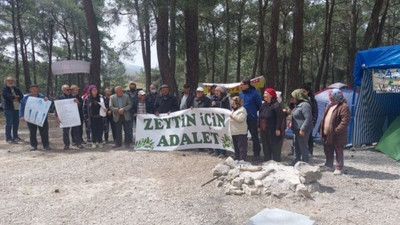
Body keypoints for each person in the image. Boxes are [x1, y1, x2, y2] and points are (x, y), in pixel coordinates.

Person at [320, 89, 350, 175]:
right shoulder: (330, 105)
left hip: (337, 134)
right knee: (327, 149)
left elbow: (345, 121)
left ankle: (338, 167)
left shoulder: (343, 106)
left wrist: (336, 130)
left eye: (331, 96)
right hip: (327, 133)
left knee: (338, 150)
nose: (329, 97)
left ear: (336, 96)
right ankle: (328, 165)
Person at [19, 84, 51, 151]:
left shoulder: (43, 97)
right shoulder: (26, 98)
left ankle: (46, 145)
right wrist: (21, 116)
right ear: (30, 90)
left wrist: (47, 101)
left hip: (41, 118)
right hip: (31, 118)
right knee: (32, 132)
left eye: (35, 88)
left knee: (44, 132)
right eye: (32, 88)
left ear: (37, 89)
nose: (34, 90)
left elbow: (49, 106)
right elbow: (21, 107)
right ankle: (33, 145)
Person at [259, 88, 285, 162]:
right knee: (266, 146)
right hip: (264, 129)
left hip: (273, 130)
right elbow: (260, 116)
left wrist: (278, 128)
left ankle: (276, 163)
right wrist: (259, 126)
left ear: (271, 95)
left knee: (275, 147)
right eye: (264, 93)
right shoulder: (263, 105)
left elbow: (280, 118)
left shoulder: (276, 105)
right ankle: (267, 161)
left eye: (266, 93)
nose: (264, 95)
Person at [239, 78, 262, 158]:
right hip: (242, 118)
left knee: (254, 136)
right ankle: (243, 153)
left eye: (242, 84)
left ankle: (256, 153)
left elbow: (259, 105)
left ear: (247, 85)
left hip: (251, 118)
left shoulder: (254, 93)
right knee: (242, 136)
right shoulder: (241, 93)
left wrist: (252, 111)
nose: (240, 86)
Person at [56, 85, 83, 150]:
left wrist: (78, 102)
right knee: (65, 131)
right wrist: (57, 117)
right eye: (67, 90)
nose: (69, 91)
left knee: (76, 130)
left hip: (73, 116)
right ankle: (66, 144)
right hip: (65, 117)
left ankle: (78, 143)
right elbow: (56, 108)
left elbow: (80, 106)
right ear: (63, 90)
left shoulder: (74, 97)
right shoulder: (60, 98)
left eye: (69, 89)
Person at [290, 89, 313, 165]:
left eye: (293, 97)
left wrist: (303, 129)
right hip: (296, 130)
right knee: (296, 145)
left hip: (303, 130)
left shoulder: (305, 105)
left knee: (303, 146)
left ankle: (305, 162)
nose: (292, 99)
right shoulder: (297, 105)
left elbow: (308, 118)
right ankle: (296, 160)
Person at [2, 77, 24, 143]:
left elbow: (21, 95)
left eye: (11, 80)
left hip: (17, 108)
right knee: (9, 123)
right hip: (9, 108)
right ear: (6, 81)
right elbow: (6, 96)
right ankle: (8, 138)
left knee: (16, 123)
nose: (10, 82)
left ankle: (15, 137)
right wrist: (14, 97)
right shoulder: (5, 89)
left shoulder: (16, 88)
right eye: (8, 81)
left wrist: (17, 97)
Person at [211, 86, 230, 157]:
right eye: (215, 91)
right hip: (215, 120)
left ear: (221, 92)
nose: (216, 93)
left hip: (223, 120)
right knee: (216, 135)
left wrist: (216, 104)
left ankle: (223, 152)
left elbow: (224, 108)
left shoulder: (225, 99)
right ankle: (217, 150)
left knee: (222, 135)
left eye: (218, 91)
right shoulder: (213, 98)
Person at [302, 84, 318, 157]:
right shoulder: (300, 99)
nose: (302, 92)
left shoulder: (312, 100)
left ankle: (310, 151)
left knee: (309, 137)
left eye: (304, 91)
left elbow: (315, 112)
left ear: (308, 91)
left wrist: (313, 121)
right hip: (300, 121)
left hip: (309, 122)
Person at [230, 96, 248, 161]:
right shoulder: (233, 110)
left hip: (241, 132)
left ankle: (243, 159)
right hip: (234, 132)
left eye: (233, 104)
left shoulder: (242, 110)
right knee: (236, 147)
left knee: (242, 148)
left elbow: (240, 119)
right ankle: (237, 158)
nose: (232, 105)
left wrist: (232, 116)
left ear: (237, 103)